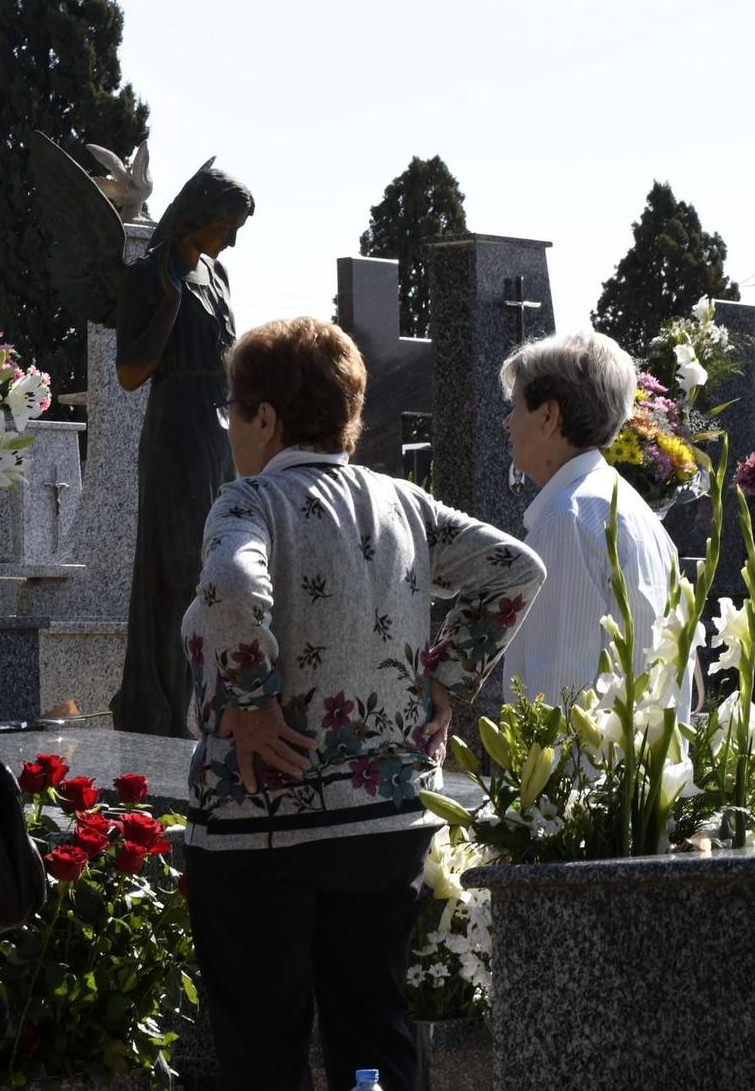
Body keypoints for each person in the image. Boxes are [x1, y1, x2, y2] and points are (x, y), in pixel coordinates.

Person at [181, 317, 544, 1091]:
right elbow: (517, 568)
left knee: (264, 1047)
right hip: (384, 821)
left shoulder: (248, 503)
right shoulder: (406, 504)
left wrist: (251, 699)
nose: (231, 428)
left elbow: (233, 587)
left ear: (267, 418)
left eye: (233, 410)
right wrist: (446, 676)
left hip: (258, 830)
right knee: (373, 1033)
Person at [112, 162, 256, 738]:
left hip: (219, 430)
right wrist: (170, 304)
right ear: (201, 216)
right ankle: (163, 712)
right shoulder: (150, 275)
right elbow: (129, 372)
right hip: (175, 430)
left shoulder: (217, 275)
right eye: (229, 224)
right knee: (177, 568)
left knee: (211, 566)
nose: (234, 239)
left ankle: (202, 705)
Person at [499, 330, 679, 707]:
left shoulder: (569, 518)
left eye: (515, 408)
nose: (507, 423)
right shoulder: (636, 513)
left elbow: (556, 701)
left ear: (549, 415)